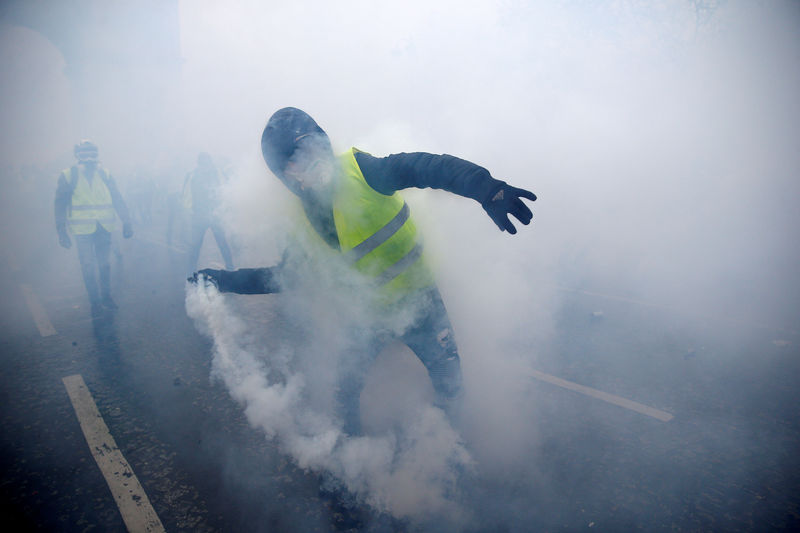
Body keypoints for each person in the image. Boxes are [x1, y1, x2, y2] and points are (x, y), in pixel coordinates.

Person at [189, 107, 536, 435]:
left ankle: (452, 455)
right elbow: (285, 278)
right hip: (366, 318)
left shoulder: (363, 170)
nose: (307, 163)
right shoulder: (301, 223)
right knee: (345, 391)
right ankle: (351, 469)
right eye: (292, 162)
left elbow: (427, 167)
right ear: (285, 176)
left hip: (422, 304)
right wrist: (222, 280)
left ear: (322, 142)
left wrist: (486, 188)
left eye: (310, 148)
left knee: (450, 383)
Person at [55, 140, 133, 316]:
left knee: (104, 265)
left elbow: (117, 197)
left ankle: (106, 297)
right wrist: (61, 231)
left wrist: (126, 221)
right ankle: (95, 302)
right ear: (78, 157)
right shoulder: (69, 175)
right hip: (82, 231)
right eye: (85, 156)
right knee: (88, 266)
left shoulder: (105, 174)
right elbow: (59, 205)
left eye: (93, 156)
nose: (90, 160)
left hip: (104, 227)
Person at [183, 152, 234, 273]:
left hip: (210, 215)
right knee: (200, 245)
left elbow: (226, 192)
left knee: (201, 245)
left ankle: (230, 267)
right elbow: (187, 197)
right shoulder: (194, 175)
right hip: (203, 215)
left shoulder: (214, 173)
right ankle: (229, 267)